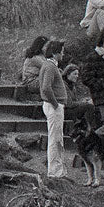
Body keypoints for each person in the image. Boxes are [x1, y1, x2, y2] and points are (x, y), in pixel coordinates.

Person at [39, 39, 69, 179]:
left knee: (57, 138)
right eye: (61, 52)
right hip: (53, 106)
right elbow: (46, 87)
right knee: (55, 139)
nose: (63, 55)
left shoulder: (50, 66)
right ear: (56, 53)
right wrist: (56, 104)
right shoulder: (50, 66)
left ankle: (59, 170)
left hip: (54, 105)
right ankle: (55, 172)